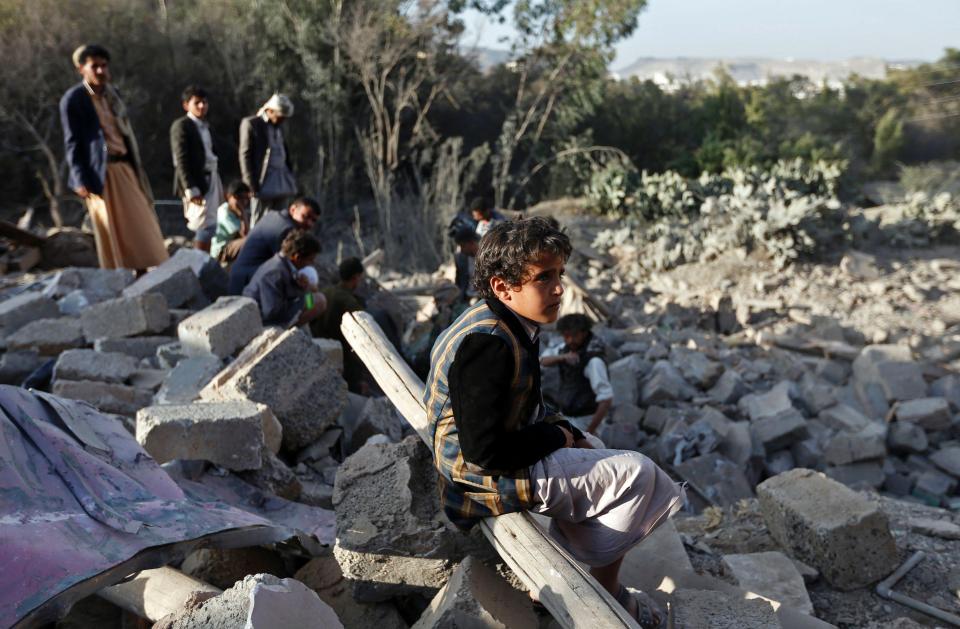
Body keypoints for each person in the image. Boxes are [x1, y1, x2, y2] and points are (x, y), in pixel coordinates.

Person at [424, 217, 683, 626]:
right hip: (476, 480)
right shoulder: (488, 344)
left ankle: (576, 565)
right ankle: (602, 591)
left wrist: (571, 434)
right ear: (502, 286)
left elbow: (527, 408)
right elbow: (483, 451)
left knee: (595, 448)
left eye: (560, 274)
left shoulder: (509, 322)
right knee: (639, 474)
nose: (560, 288)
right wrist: (556, 435)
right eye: (544, 278)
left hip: (490, 462)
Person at [59, 44, 168, 272]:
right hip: (99, 173)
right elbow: (73, 142)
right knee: (111, 231)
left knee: (142, 224)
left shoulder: (113, 94)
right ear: (82, 69)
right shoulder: (74, 99)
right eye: (94, 66)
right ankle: (120, 279)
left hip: (124, 168)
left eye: (104, 66)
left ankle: (147, 272)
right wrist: (79, 178)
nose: (100, 71)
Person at [228, 196, 320, 295]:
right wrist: (308, 287)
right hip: (249, 284)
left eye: (313, 220)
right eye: (305, 216)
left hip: (242, 277)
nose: (309, 223)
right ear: (293, 209)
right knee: (315, 298)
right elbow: (287, 269)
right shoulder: (286, 231)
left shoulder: (275, 216)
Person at [540, 313, 613, 436]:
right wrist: (563, 357)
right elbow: (542, 360)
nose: (570, 340)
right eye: (566, 336)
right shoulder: (565, 348)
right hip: (567, 416)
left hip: (586, 420)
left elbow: (606, 399)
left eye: (574, 336)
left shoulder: (593, 360)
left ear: (584, 333)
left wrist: (590, 432)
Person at [170, 85, 223, 252]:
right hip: (197, 182)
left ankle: (204, 262)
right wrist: (190, 188)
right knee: (203, 225)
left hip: (212, 177)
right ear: (186, 105)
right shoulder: (182, 126)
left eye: (204, 102)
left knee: (211, 224)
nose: (202, 106)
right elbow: (181, 159)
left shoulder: (206, 126)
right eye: (197, 102)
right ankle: (198, 264)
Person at [243, 229, 326, 328]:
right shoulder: (275, 272)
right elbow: (271, 311)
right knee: (319, 301)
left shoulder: (285, 266)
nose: (311, 264)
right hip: (262, 321)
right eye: (310, 260)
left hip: (272, 314)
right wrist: (301, 299)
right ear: (296, 257)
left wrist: (305, 289)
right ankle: (288, 331)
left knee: (312, 298)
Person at [312, 257, 371, 393]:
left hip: (317, 348)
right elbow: (365, 329)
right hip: (343, 358)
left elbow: (308, 306)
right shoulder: (350, 302)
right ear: (356, 277)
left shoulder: (324, 292)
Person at [239, 93, 296, 227]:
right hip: (262, 181)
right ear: (270, 111)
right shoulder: (252, 124)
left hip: (281, 180)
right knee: (259, 220)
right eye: (280, 117)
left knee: (280, 220)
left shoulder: (279, 127)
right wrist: (250, 183)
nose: (282, 120)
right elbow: (245, 155)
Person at [211, 180, 251, 264]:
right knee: (249, 242)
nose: (243, 201)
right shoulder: (224, 211)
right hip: (220, 250)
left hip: (231, 246)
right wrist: (243, 214)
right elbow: (244, 235)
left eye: (246, 198)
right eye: (239, 197)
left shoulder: (236, 211)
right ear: (228, 196)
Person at [452, 226, 479, 305]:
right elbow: (459, 281)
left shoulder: (487, 257)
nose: (461, 249)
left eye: (463, 246)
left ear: (471, 243)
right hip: (466, 298)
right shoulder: (460, 258)